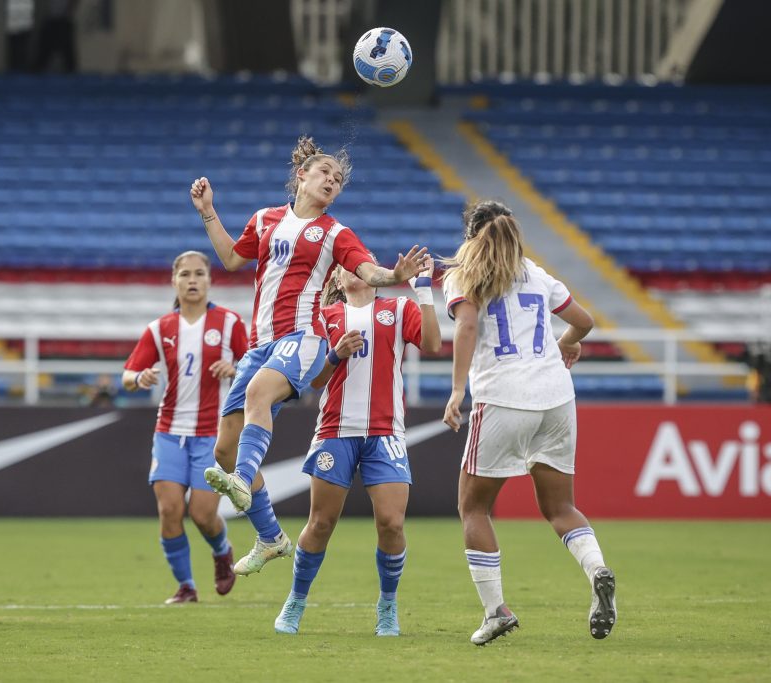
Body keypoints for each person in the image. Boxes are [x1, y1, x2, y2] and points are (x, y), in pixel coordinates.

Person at [189, 135, 432, 576]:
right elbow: (229, 258)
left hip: (303, 337)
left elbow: (368, 270)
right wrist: (208, 211)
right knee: (224, 449)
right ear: (302, 175)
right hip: (260, 343)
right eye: (325, 173)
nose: (332, 182)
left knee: (260, 397)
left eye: (338, 180)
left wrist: (395, 274)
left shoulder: (336, 233)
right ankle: (270, 537)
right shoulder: (264, 220)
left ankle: (243, 482)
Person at [441, 201, 616, 645]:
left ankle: (495, 611)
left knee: (472, 507)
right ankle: (597, 569)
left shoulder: (464, 274)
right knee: (560, 507)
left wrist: (458, 390)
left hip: (502, 398)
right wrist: (567, 342)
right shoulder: (536, 273)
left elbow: (465, 327)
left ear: (471, 236)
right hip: (557, 398)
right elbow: (585, 321)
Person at [273, 260, 441, 636]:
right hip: (335, 430)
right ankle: (296, 602)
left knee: (392, 523)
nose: (352, 268)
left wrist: (424, 289)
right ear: (335, 276)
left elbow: (432, 343)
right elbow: (311, 381)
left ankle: (388, 606)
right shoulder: (324, 316)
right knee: (320, 523)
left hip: (386, 432)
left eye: (360, 262)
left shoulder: (398, 309)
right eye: (344, 264)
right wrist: (335, 355)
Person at [122, 250, 249, 604]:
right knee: (169, 510)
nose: (192, 281)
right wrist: (140, 377)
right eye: (185, 275)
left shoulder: (229, 323)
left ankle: (222, 551)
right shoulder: (159, 329)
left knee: (203, 514)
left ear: (210, 280)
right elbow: (127, 375)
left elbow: (256, 366)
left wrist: (235, 369)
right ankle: (186, 587)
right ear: (174, 281)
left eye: (199, 274)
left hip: (212, 433)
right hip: (169, 431)